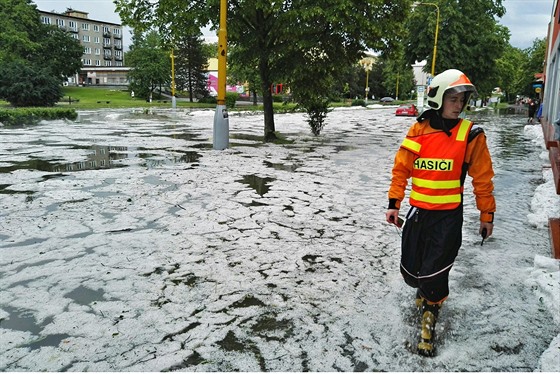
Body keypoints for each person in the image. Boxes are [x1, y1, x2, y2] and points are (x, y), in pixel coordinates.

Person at [385, 69, 496, 357]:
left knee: (434, 274)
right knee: (411, 272)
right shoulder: (419, 130)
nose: (458, 106)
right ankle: (424, 294)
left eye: (462, 100)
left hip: (448, 219)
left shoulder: (471, 135)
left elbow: (483, 179)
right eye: (453, 99)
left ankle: (428, 323)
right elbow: (401, 169)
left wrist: (487, 215)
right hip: (418, 214)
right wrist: (394, 203)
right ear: (438, 98)